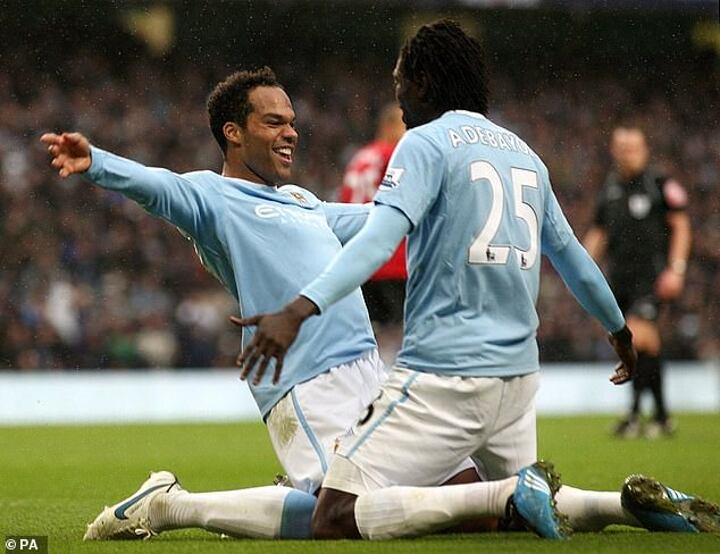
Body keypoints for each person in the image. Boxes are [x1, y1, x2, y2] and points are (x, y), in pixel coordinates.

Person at [234, 20, 719, 539]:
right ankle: (621, 505)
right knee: (515, 515)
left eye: (400, 82)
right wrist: (618, 330)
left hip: (444, 377)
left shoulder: (423, 144)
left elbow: (377, 241)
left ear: (423, 82)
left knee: (332, 515)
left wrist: (298, 309)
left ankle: (505, 493)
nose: (397, 98)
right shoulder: (524, 154)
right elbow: (574, 259)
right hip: (517, 382)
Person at [41, 67, 501, 542]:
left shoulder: (301, 200)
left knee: (471, 500)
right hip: (309, 381)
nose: (291, 133)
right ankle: (169, 505)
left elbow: (376, 220)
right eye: (274, 122)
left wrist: (442, 205)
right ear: (233, 132)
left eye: (292, 122)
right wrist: (96, 162)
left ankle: (282, 497)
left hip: (370, 371)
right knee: (335, 517)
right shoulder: (213, 197)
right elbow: (157, 186)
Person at [584, 125, 691, 439]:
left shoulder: (660, 184)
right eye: (621, 148)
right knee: (647, 344)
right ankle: (661, 416)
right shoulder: (610, 188)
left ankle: (633, 415)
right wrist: (581, 267)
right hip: (619, 281)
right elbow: (599, 232)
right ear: (613, 150)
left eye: (632, 148)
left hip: (652, 279)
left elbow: (681, 226)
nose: (627, 154)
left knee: (636, 335)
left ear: (645, 150)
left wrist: (677, 269)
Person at [339, 104, 407, 339]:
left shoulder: (360, 157)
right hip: (393, 260)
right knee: (399, 335)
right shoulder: (395, 155)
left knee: (371, 333)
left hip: (360, 260)